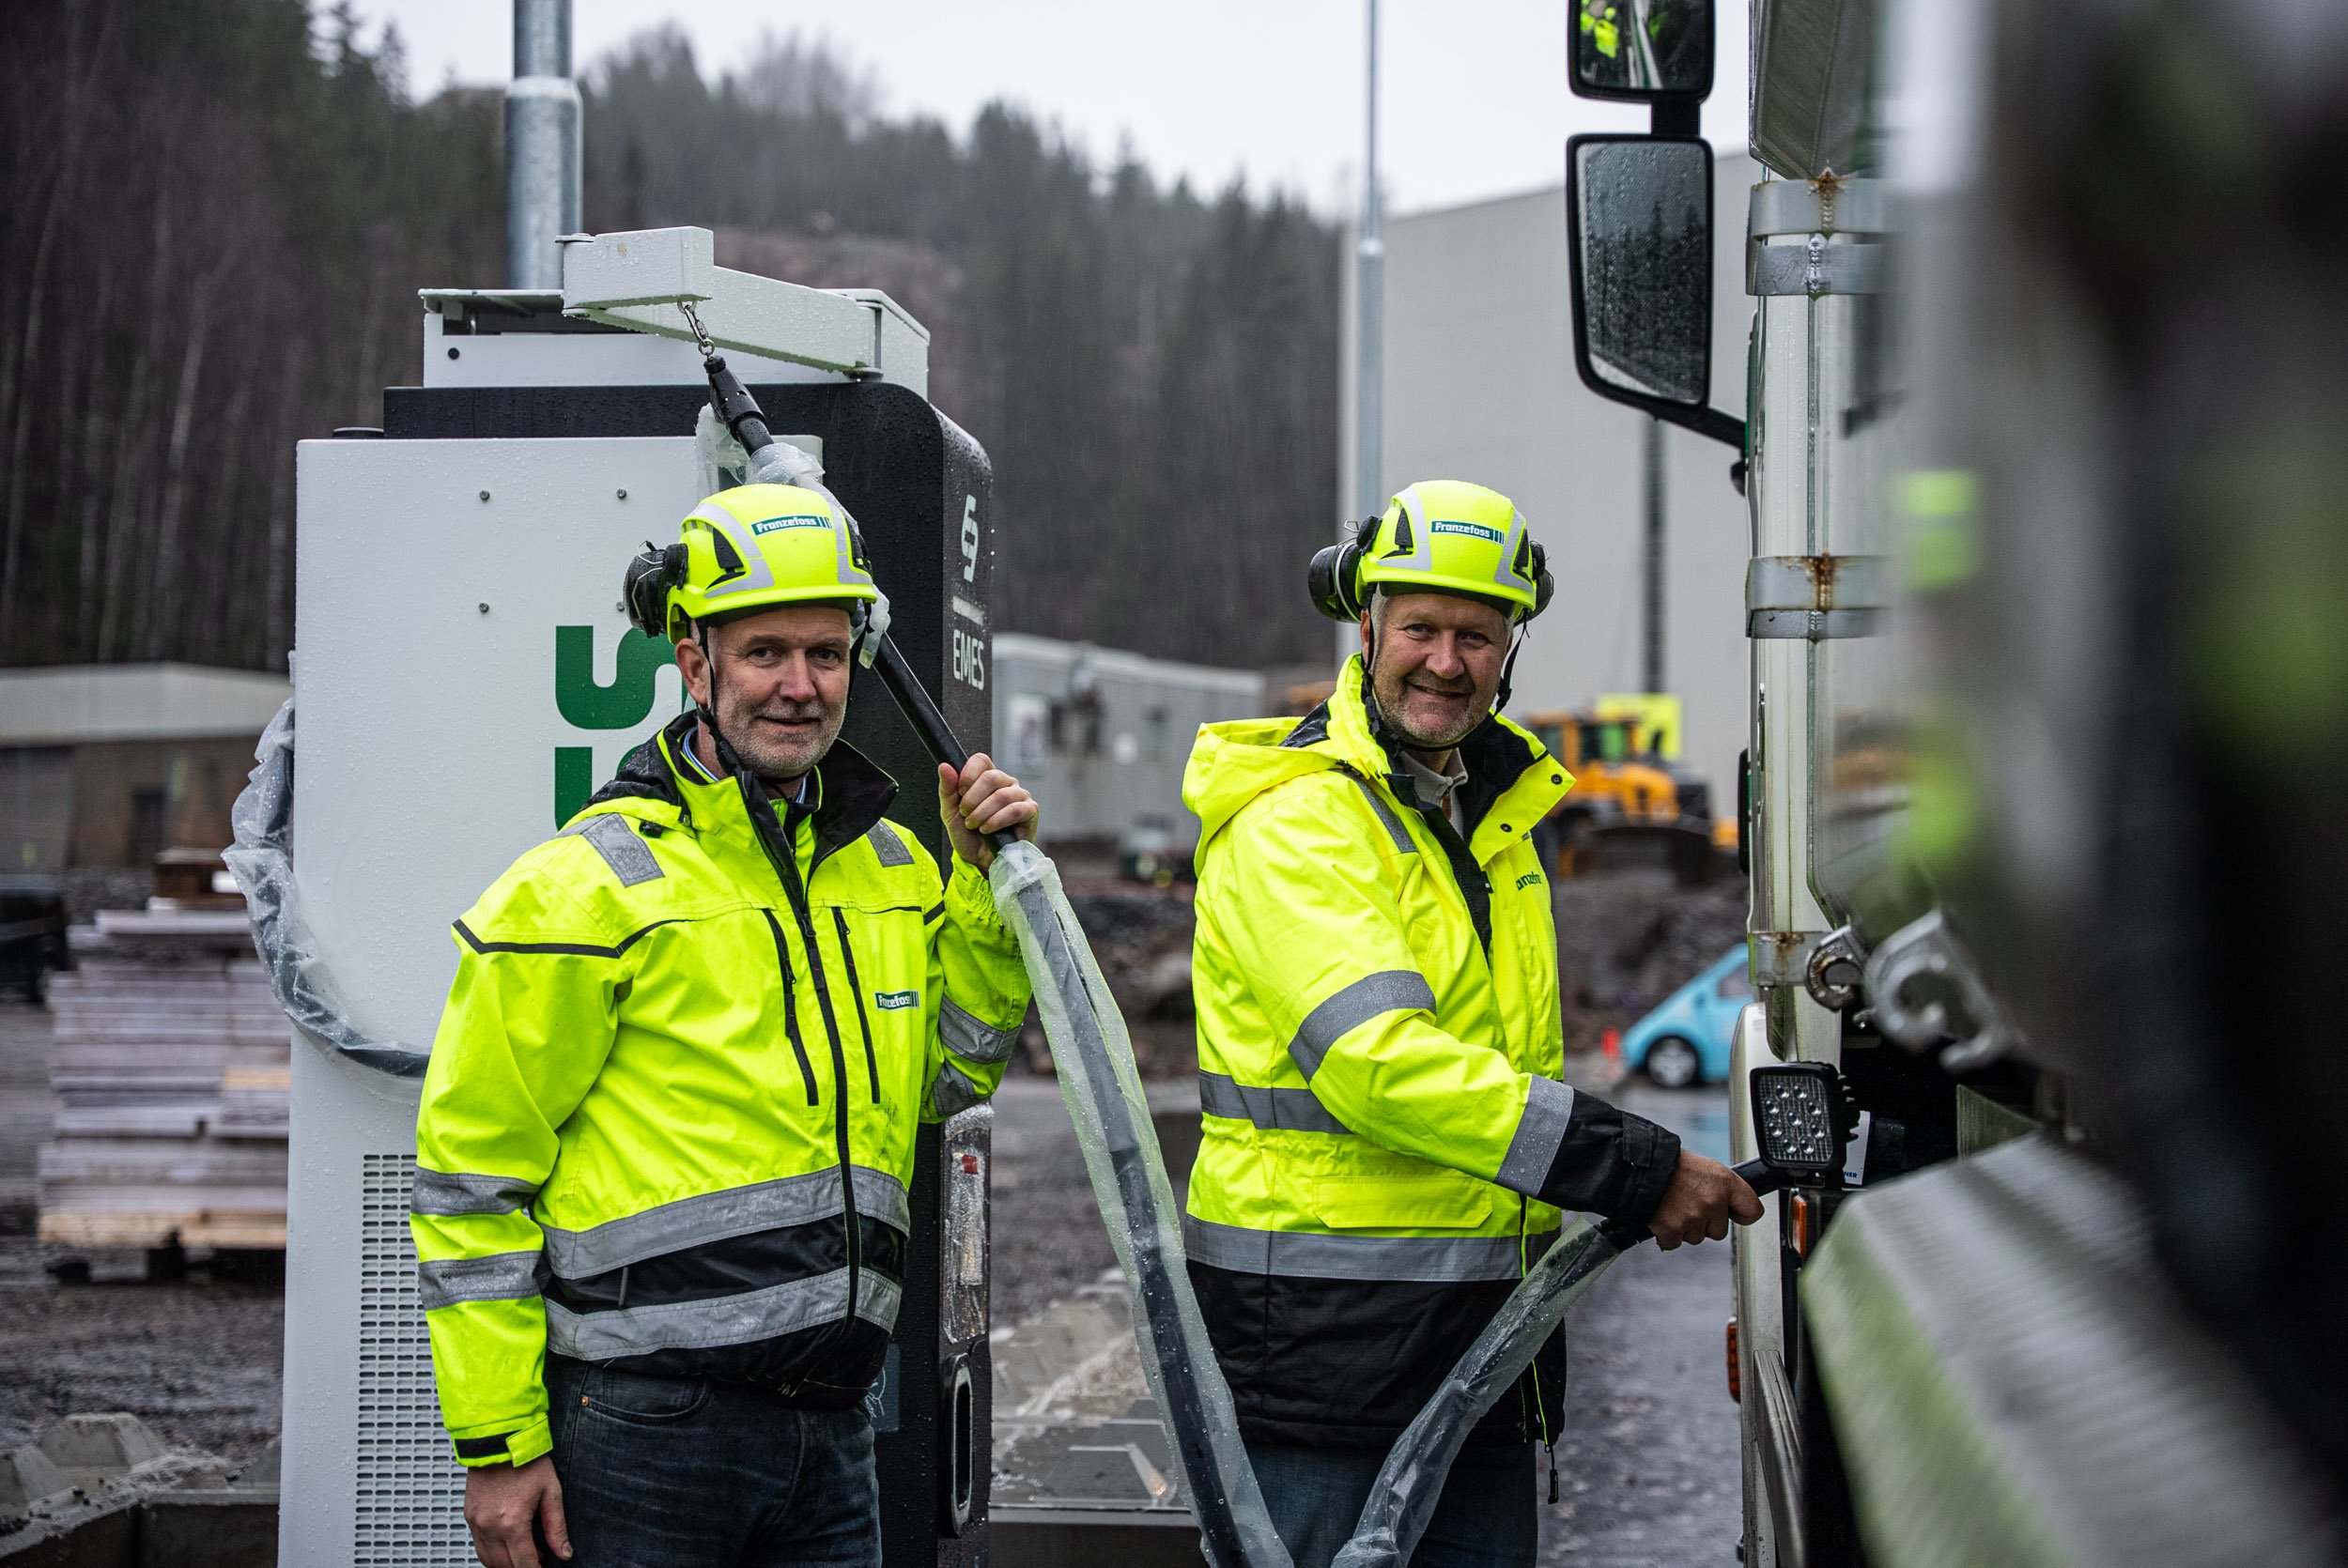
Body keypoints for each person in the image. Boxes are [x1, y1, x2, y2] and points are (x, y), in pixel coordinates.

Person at [409, 483, 1038, 1568]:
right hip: (641, 1435)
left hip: (833, 1427)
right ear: (694, 663)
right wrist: (499, 1443)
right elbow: (471, 1180)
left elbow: (950, 1077)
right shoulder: (580, 891)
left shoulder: (895, 866)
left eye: (828, 654)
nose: (800, 687)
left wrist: (983, 891)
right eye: (765, 653)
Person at [1182, 480, 1762, 1568]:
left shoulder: (1490, 829)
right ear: (1366, 627)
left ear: (1509, 649)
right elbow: (1382, 1067)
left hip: (1481, 1357)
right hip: (1320, 1372)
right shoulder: (1300, 818)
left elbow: (1498, 1081)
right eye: (1421, 629)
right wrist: (1635, 1167)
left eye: (1476, 636)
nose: (1445, 661)